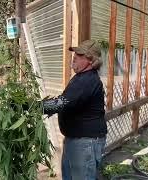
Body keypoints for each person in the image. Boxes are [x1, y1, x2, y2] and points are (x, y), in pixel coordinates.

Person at [43, 40, 107, 180]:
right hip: (76, 141)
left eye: (80, 54)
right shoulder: (81, 77)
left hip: (85, 143)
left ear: (91, 60)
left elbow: (60, 103)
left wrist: (29, 107)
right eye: (75, 53)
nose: (75, 56)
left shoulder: (87, 81)